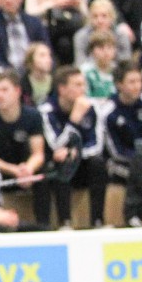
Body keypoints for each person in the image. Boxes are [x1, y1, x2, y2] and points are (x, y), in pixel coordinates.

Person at [37, 65, 107, 228]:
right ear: (62, 89)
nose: (83, 89)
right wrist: (74, 120)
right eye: (77, 85)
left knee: (98, 164)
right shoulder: (47, 110)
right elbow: (55, 144)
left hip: (83, 163)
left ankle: (97, 221)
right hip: (58, 166)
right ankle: (65, 222)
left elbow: (96, 145)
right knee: (63, 162)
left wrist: (76, 152)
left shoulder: (93, 107)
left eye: (83, 84)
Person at [0, 70, 49, 226]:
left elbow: (38, 154)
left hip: (25, 169)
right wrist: (14, 170)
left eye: (4, 90)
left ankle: (44, 224)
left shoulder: (32, 116)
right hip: (1, 170)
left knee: (43, 174)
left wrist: (28, 170)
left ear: (17, 91)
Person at [100, 60, 142, 182]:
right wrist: (141, 159)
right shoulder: (108, 112)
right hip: (123, 162)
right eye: (132, 82)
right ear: (119, 84)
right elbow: (115, 151)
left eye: (139, 81)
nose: (137, 86)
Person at [73, 0, 133, 67]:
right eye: (95, 16)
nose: (100, 21)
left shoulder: (121, 35)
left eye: (104, 16)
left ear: (111, 17)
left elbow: (126, 62)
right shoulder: (81, 36)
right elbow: (80, 62)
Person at [81, 30, 118, 100]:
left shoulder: (118, 70)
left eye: (110, 47)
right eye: (101, 48)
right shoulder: (85, 71)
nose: (106, 52)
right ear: (92, 51)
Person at [21, 42, 55, 107]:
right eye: (42, 55)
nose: (48, 60)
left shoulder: (56, 81)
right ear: (31, 59)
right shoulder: (23, 83)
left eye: (49, 55)